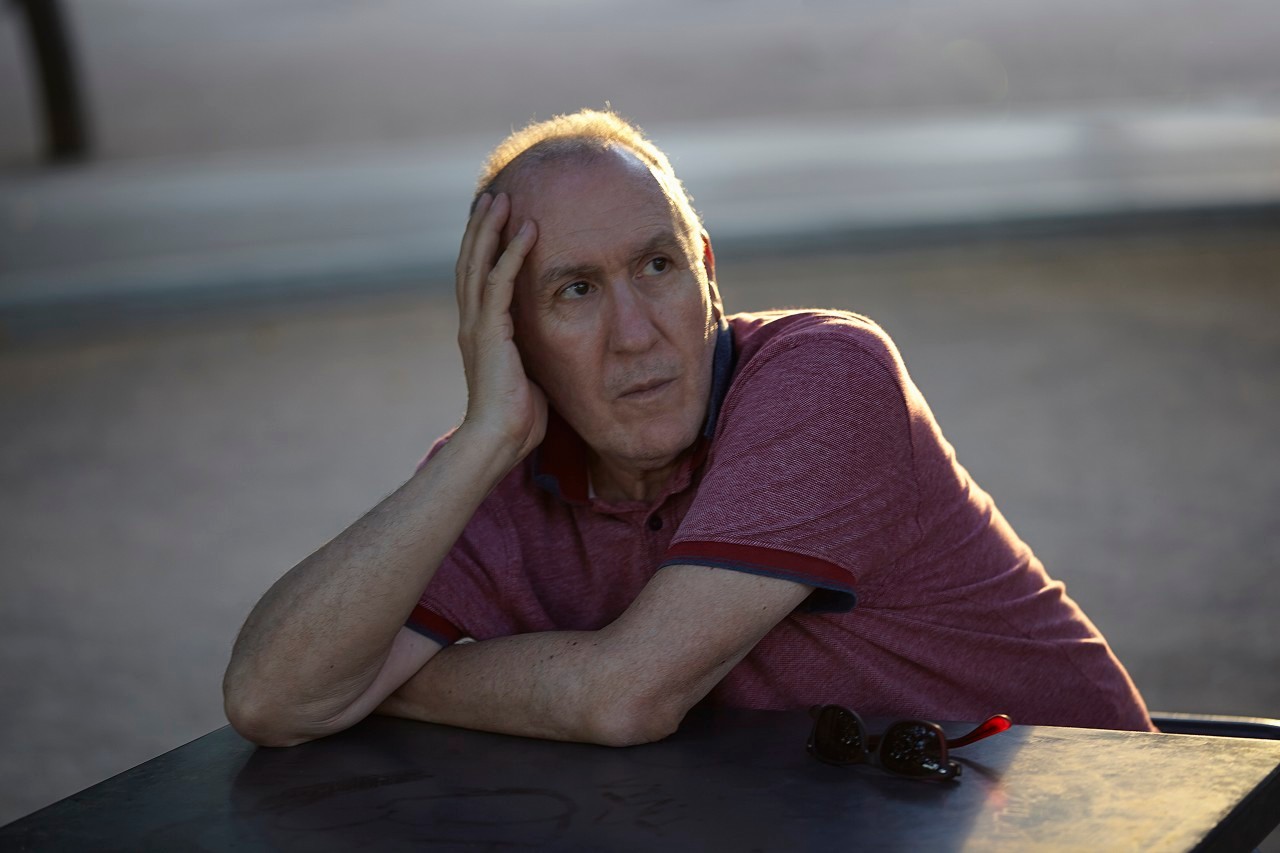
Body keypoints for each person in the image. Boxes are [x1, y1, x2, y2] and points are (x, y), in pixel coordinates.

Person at [222, 109, 1154, 748]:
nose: (637, 334)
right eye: (575, 290)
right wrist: (475, 443)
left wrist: (386, 689)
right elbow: (270, 698)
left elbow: (627, 696)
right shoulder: (498, 472)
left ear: (708, 271)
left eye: (657, 266)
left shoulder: (824, 376)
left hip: (1098, 812)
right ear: (508, 332)